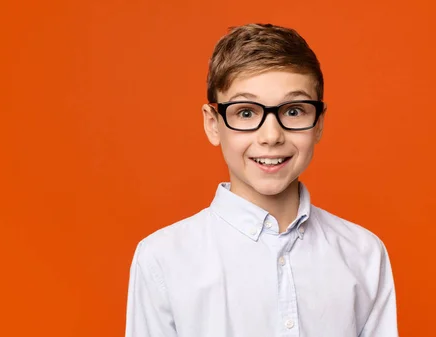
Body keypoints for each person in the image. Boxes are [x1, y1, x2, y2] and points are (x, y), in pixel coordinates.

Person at [124, 23, 398, 337]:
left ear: (319, 124)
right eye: (246, 113)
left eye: (294, 111)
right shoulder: (163, 259)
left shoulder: (363, 253)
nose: (271, 136)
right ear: (213, 124)